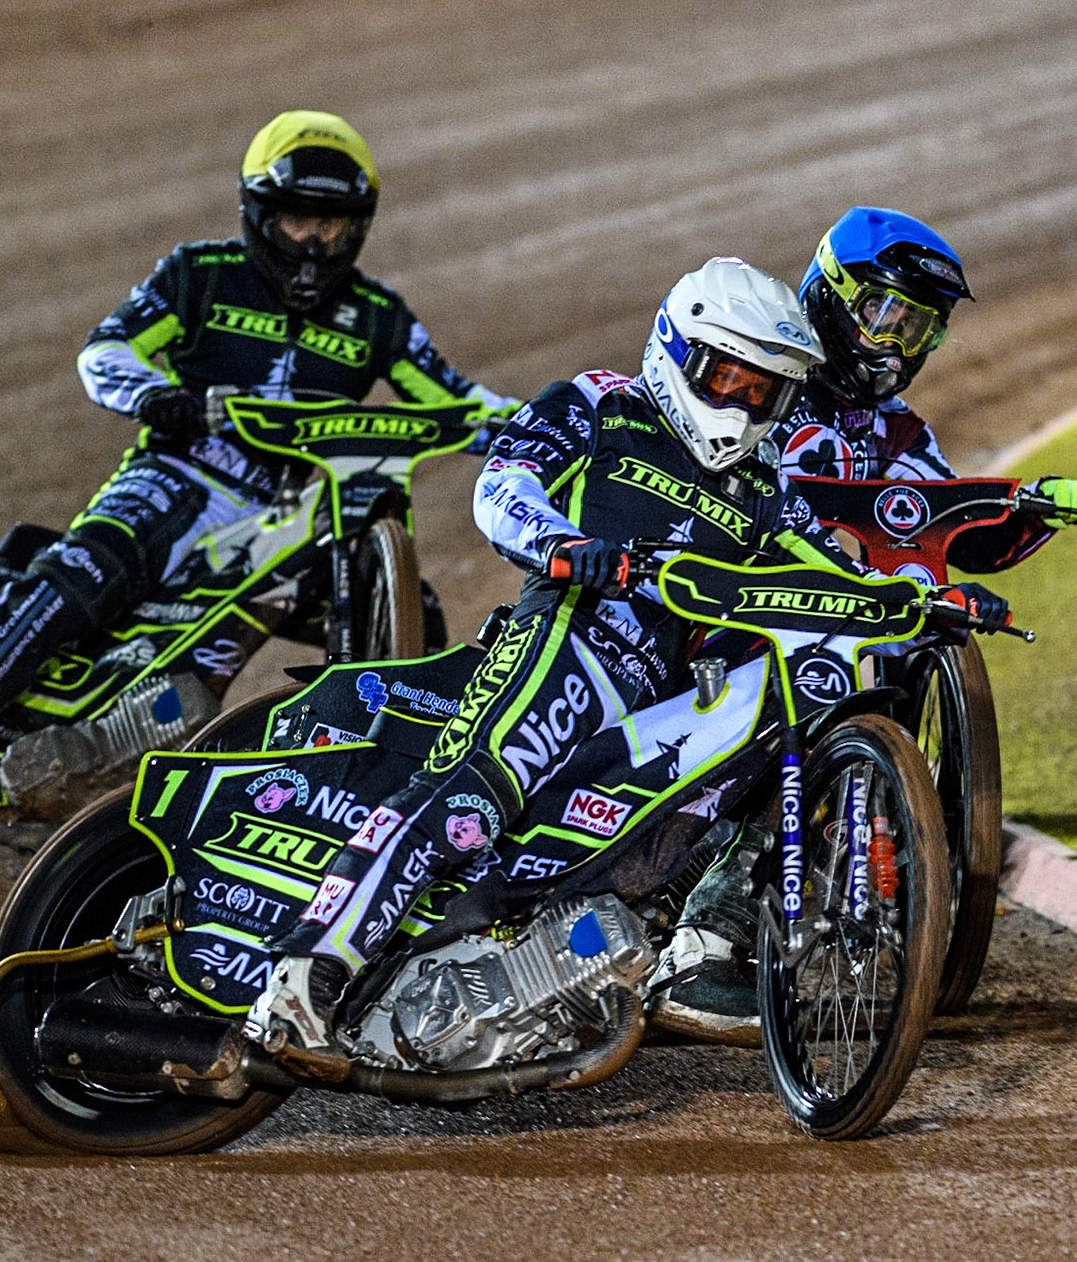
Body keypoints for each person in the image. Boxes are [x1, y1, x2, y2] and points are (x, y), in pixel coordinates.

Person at [244, 256, 1012, 1064]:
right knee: (471, 797)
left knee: (748, 749)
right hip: (571, 640)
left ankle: (646, 952)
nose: (741, 405)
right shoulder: (601, 403)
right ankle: (304, 976)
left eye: (765, 393)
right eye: (726, 378)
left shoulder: (760, 487)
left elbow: (835, 574)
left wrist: (929, 604)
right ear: (677, 351)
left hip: (667, 697)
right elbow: (504, 483)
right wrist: (566, 546)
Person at [0, 110, 515, 807]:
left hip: (284, 520)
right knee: (95, 564)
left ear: (358, 225)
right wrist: (152, 394)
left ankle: (379, 784)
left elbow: (458, 399)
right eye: (298, 220)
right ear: (259, 213)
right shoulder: (199, 275)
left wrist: (536, 424)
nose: (314, 243)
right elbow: (104, 350)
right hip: (178, 475)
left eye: (331, 225)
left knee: (405, 607)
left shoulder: (378, 315)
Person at [649, 207, 1077, 1039]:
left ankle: (874, 821)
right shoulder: (766, 380)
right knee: (800, 688)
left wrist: (1032, 508)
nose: (896, 342)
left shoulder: (899, 430)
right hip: (713, 622)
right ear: (830, 294)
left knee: (915, 626)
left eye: (918, 326)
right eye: (883, 314)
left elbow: (945, 517)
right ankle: (705, 939)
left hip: (842, 628)